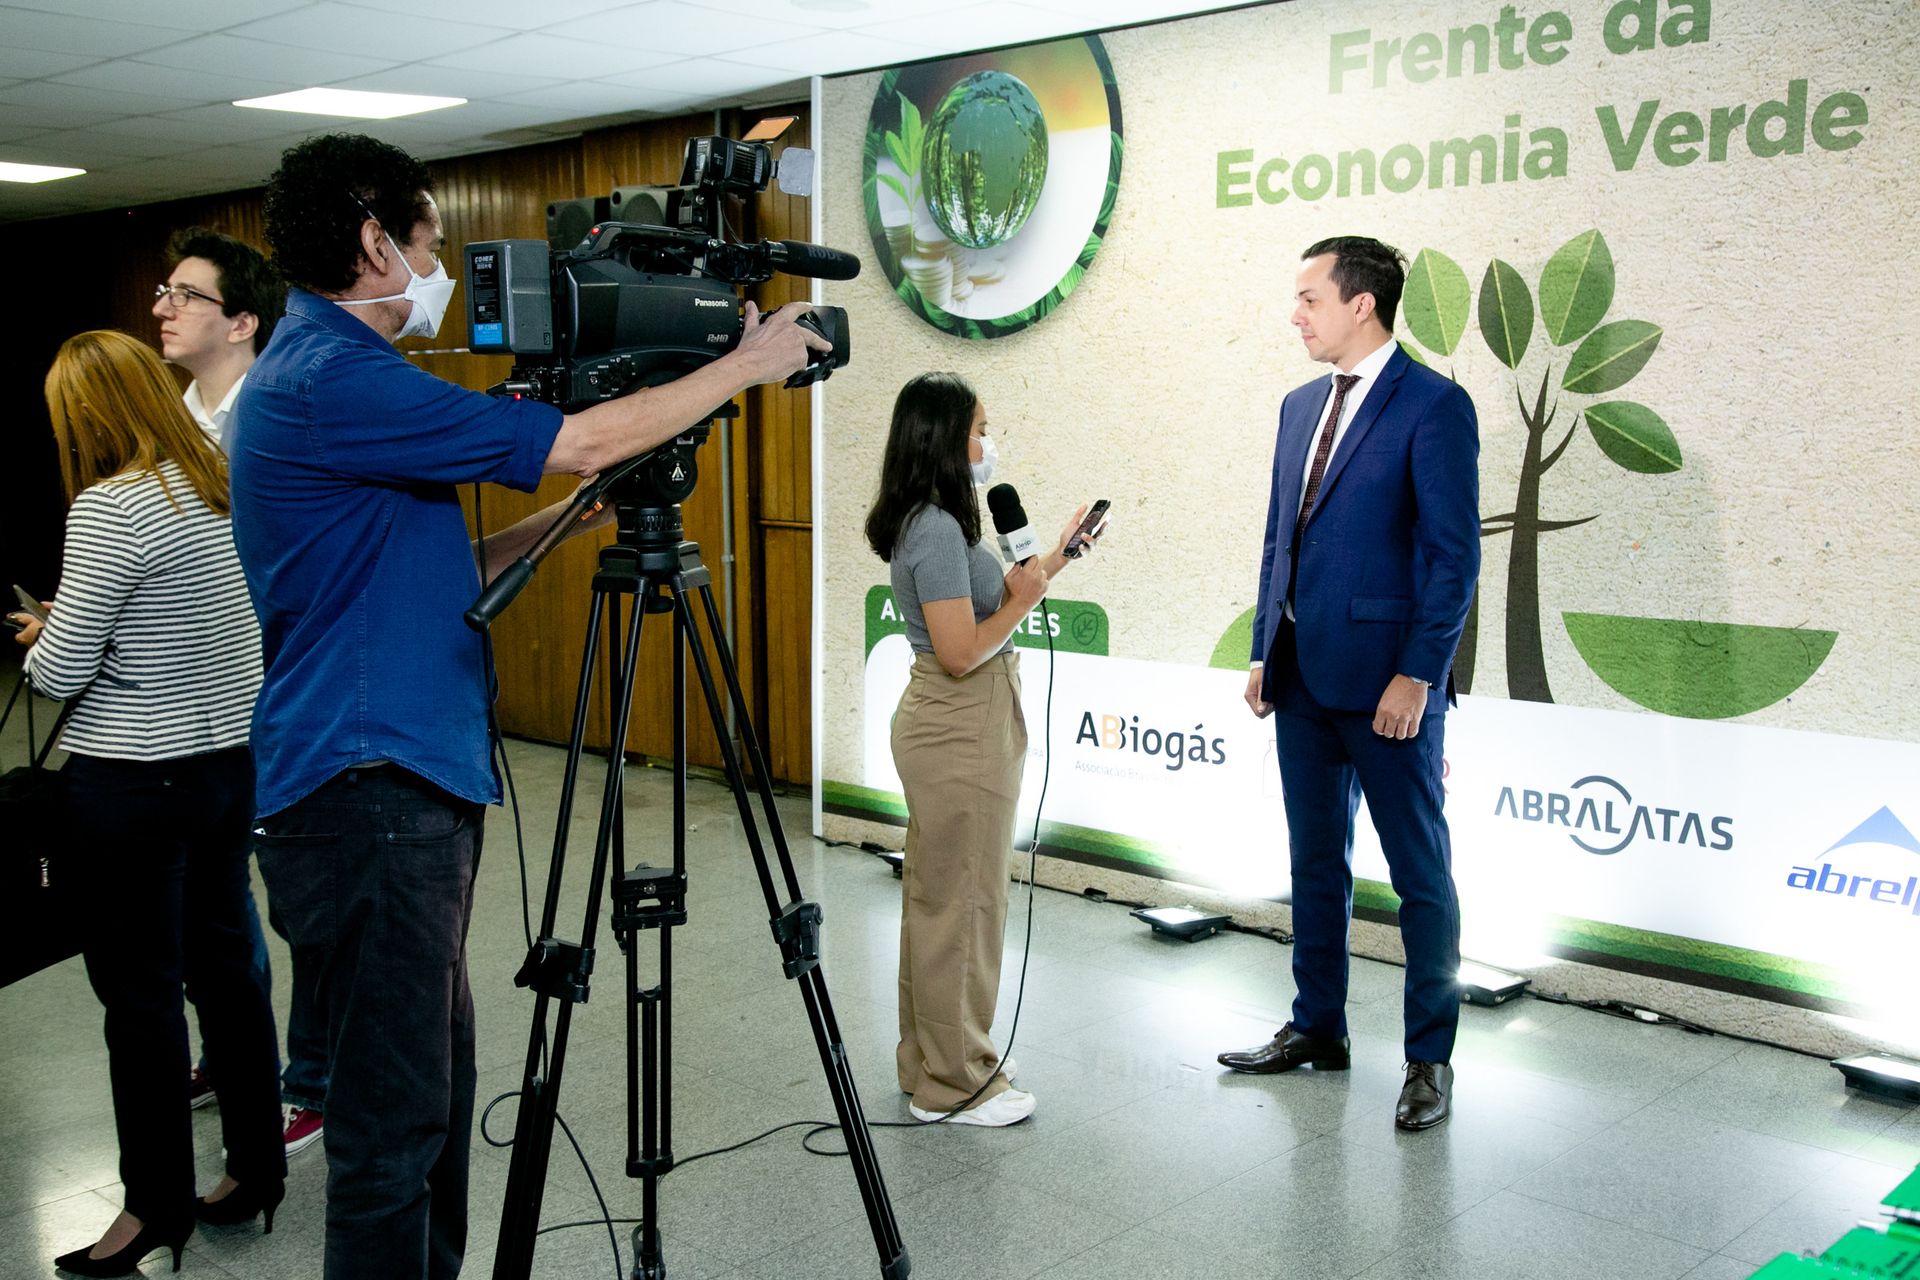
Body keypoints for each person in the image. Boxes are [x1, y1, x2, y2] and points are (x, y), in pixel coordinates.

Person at [231, 132, 827, 1280]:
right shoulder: (337, 376)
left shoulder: (316, 378)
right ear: (373, 243)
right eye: (428, 242)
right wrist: (745, 365)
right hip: (371, 797)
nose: (439, 266)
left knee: (431, 1104)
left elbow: (434, 568)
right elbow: (580, 438)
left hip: (383, 787)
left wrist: (578, 517)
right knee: (393, 1127)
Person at [11, 330, 287, 1276]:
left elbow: (60, 673)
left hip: (132, 786)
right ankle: (253, 1172)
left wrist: (43, 632)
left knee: (140, 1003)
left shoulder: (109, 507)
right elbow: (202, 624)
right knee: (227, 975)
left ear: (82, 416)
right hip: (225, 768)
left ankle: (154, 1208)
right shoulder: (217, 481)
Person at [1216, 236, 1480, 1132]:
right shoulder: (1298, 407)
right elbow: (1278, 540)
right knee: (1314, 864)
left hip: (1389, 692)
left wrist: (1419, 674)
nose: (1295, 314)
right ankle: (1317, 1028)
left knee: (1420, 879)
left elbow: (1454, 561)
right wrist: (1262, 647)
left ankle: (1428, 1060)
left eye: (1308, 298)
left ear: (1361, 303)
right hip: (1301, 680)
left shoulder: (1435, 406)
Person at [864, 372, 1092, 1127]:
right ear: (943, 439)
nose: (987, 443)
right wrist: (1024, 603)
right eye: (978, 428)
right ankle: (957, 1082)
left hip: (968, 717)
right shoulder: (931, 527)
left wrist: (1056, 558)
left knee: (943, 898)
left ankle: (935, 1058)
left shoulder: (942, 523)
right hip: (958, 718)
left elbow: (995, 605)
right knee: (963, 904)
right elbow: (962, 652)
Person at [154, 225, 327, 1157]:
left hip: (281, 688)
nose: (165, 309)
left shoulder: (282, 414)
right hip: (198, 702)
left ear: (245, 321)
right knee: (215, 899)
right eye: (163, 292)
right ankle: (236, 1047)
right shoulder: (176, 423)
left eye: (187, 295)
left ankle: (311, 1080)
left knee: (295, 898)